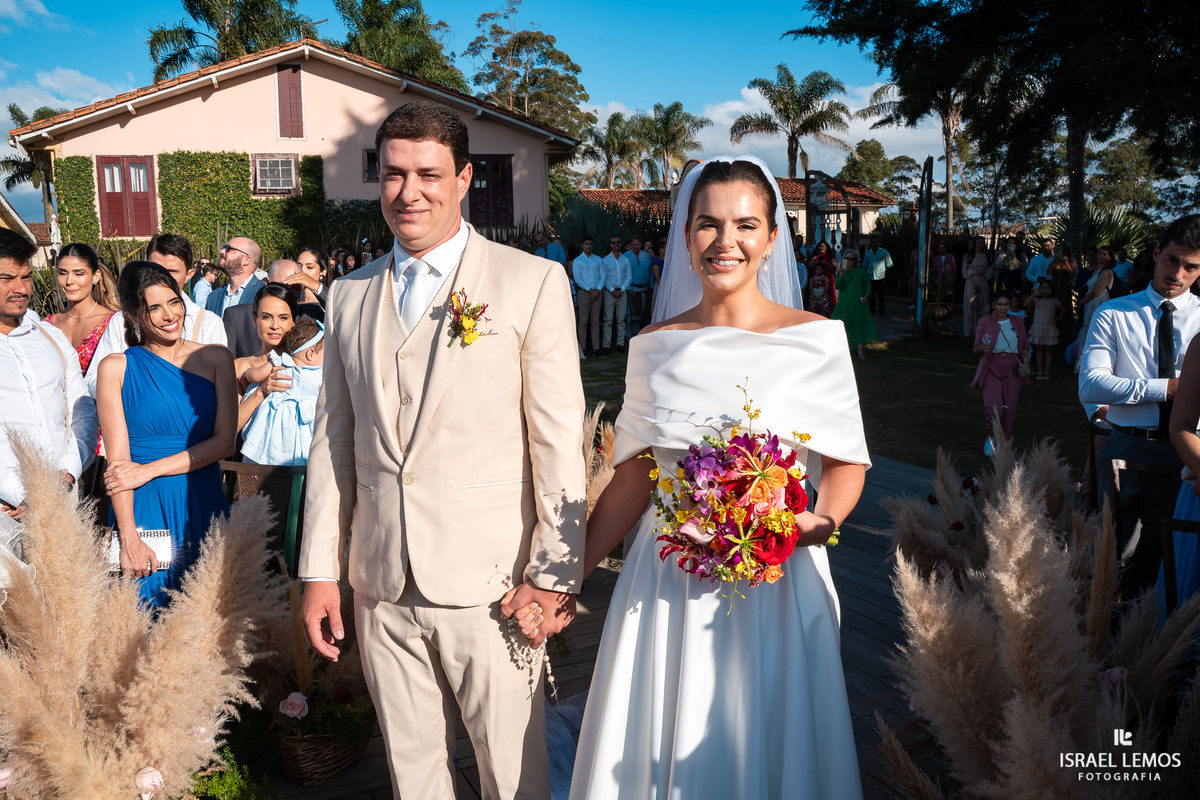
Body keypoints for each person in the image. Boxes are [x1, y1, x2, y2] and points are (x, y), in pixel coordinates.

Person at [552, 155, 867, 799]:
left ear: (774, 237)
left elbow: (846, 463)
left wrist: (821, 520)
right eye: (708, 225)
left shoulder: (818, 340)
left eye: (746, 225)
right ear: (685, 235)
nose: (727, 243)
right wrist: (566, 576)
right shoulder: (654, 345)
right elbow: (636, 479)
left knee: (772, 740)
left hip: (780, 578)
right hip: (668, 578)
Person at [298, 100, 586, 799]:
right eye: (394, 175)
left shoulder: (531, 282)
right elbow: (333, 438)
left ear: (462, 179)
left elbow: (558, 442)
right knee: (412, 772)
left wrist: (556, 573)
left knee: (512, 773)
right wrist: (319, 570)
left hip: (493, 583)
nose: (409, 192)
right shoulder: (348, 295)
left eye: (428, 174)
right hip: (380, 583)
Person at [96, 262, 235, 607]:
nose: (169, 314)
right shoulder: (115, 367)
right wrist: (127, 537)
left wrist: (150, 469)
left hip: (201, 500)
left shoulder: (216, 357)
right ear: (131, 315)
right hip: (142, 508)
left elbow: (225, 442)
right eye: (153, 308)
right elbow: (118, 464)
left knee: (211, 619)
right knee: (145, 619)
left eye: (173, 302)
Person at [1080, 216, 1200, 592]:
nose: (1177, 273)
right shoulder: (1114, 313)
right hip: (1130, 446)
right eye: (1171, 260)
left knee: (1182, 556)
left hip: (1191, 453)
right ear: (1156, 254)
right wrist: (1166, 388)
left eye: (1190, 266)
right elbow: (1091, 385)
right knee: (1120, 558)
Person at [0, 228, 98, 522]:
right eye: (7, 279)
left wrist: (68, 472)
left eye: (26, 277)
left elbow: (82, 411)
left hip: (63, 500)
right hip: (7, 509)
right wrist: (19, 492)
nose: (21, 288)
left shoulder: (51, 338)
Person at [86, 233, 229, 397]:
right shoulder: (122, 320)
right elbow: (93, 380)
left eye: (172, 271)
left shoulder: (208, 323)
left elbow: (219, 388)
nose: (161, 277)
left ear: (189, 274)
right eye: (153, 268)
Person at [240, 316, 324, 466]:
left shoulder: (281, 362)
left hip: (273, 431)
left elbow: (255, 374)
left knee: (267, 454)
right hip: (304, 434)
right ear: (310, 354)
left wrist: (247, 375)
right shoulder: (321, 373)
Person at [223, 260, 323, 360]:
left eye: (295, 288)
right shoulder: (237, 316)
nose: (288, 293)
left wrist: (318, 287)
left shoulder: (311, 313)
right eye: (282, 287)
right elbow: (226, 364)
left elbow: (337, 312)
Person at [45, 242, 118, 374]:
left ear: (95, 276)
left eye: (78, 274)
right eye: (62, 273)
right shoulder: (47, 325)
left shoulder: (112, 323)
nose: (69, 281)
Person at [972, 292, 1030, 455]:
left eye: (1006, 304)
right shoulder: (985, 322)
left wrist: (1025, 354)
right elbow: (976, 348)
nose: (1003, 308)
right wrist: (981, 349)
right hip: (991, 367)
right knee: (993, 407)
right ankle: (991, 439)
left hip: (1013, 369)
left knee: (1009, 409)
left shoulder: (1017, 321)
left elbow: (1025, 343)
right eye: (1000, 304)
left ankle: (1003, 441)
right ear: (993, 306)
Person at [232, 283, 299, 407]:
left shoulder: (304, 363)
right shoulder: (239, 367)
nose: (274, 325)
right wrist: (260, 392)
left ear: (293, 321)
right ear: (254, 321)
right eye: (266, 317)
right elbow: (231, 425)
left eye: (283, 318)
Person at [831, 249, 875, 360]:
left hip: (859, 304)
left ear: (856, 261)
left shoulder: (860, 271)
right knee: (846, 327)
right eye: (847, 258)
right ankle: (846, 352)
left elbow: (867, 285)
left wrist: (866, 295)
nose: (849, 261)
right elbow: (837, 286)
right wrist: (840, 276)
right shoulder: (841, 271)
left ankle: (860, 352)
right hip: (845, 304)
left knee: (859, 326)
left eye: (852, 259)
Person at [206, 237, 266, 317]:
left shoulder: (264, 293)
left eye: (228, 248)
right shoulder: (213, 297)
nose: (222, 251)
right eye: (223, 247)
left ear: (246, 260)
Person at [1024, 279, 1064, 380]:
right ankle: (1040, 371)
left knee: (1048, 350)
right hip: (1038, 327)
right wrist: (1034, 294)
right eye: (1043, 288)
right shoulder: (1037, 300)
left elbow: (1063, 310)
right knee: (1040, 349)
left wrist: (1058, 318)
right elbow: (1026, 304)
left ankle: (1047, 372)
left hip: (1049, 328)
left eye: (1048, 288)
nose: (1045, 290)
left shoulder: (1054, 300)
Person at [573, 235, 605, 357]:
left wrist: (597, 290)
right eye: (586, 244)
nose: (589, 246)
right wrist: (590, 290)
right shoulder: (578, 261)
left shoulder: (598, 259)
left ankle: (596, 348)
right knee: (583, 321)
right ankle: (583, 347)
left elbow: (603, 276)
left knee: (595, 321)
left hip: (597, 292)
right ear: (582, 245)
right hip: (584, 293)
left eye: (590, 244)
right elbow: (578, 278)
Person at [601, 235, 631, 352]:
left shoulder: (626, 260)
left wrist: (621, 290)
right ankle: (606, 345)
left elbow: (629, 277)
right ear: (610, 244)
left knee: (621, 319)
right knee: (608, 319)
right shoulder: (605, 260)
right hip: (610, 292)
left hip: (622, 292)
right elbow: (604, 277)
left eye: (618, 242)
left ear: (621, 244)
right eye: (613, 242)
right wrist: (613, 290)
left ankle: (620, 343)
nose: (616, 244)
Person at [962, 236, 992, 337]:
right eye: (978, 242)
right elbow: (964, 272)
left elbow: (990, 273)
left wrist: (983, 272)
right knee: (971, 306)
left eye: (982, 243)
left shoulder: (987, 257)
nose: (980, 245)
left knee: (982, 306)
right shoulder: (968, 257)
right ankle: (969, 331)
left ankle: (981, 331)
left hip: (982, 284)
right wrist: (974, 271)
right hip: (971, 284)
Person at [625, 236, 654, 332]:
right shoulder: (626, 256)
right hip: (632, 288)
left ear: (641, 245)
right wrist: (628, 288)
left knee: (642, 313)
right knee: (631, 314)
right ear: (630, 245)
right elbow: (623, 274)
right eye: (633, 245)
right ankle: (629, 335)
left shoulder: (646, 256)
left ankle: (639, 334)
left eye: (637, 244)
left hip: (644, 288)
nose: (635, 247)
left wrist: (651, 286)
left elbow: (650, 271)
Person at [863, 233, 893, 315]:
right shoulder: (868, 254)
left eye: (876, 242)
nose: (875, 244)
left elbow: (890, 263)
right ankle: (872, 311)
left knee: (881, 296)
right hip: (870, 277)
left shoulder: (884, 252)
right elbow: (864, 265)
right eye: (873, 242)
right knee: (871, 296)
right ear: (871, 243)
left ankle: (881, 311)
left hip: (881, 277)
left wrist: (883, 268)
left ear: (879, 243)